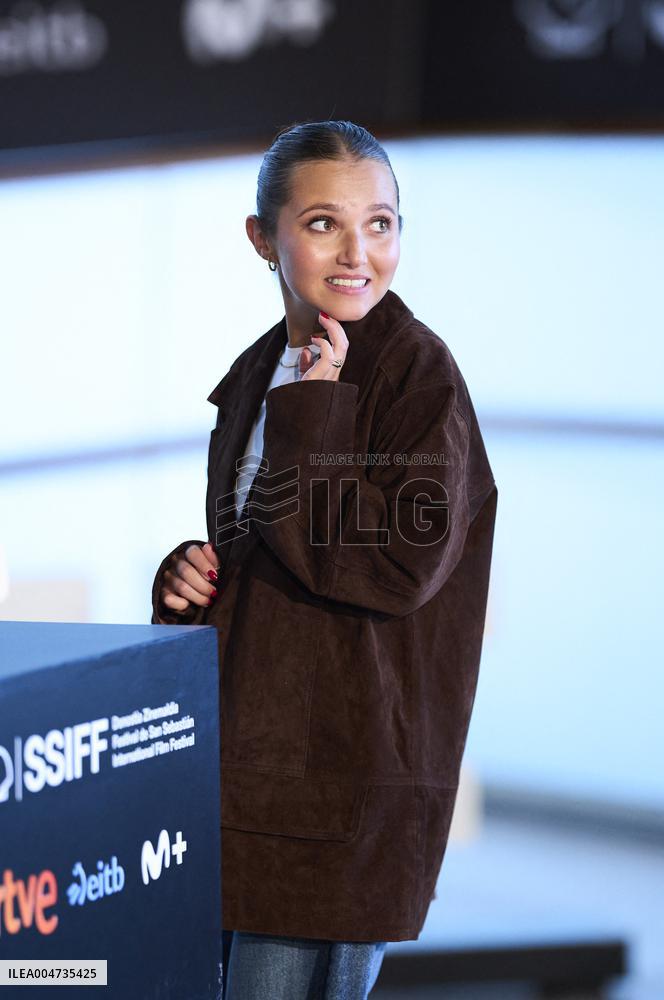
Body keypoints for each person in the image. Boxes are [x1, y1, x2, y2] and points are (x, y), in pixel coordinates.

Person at [150, 120, 498, 1000]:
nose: (357, 253)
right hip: (244, 779)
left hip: (340, 797)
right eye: (322, 224)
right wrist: (188, 577)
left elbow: (397, 566)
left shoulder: (418, 376)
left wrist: (313, 415)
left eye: (380, 223)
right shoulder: (257, 372)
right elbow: (270, 556)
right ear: (262, 238)